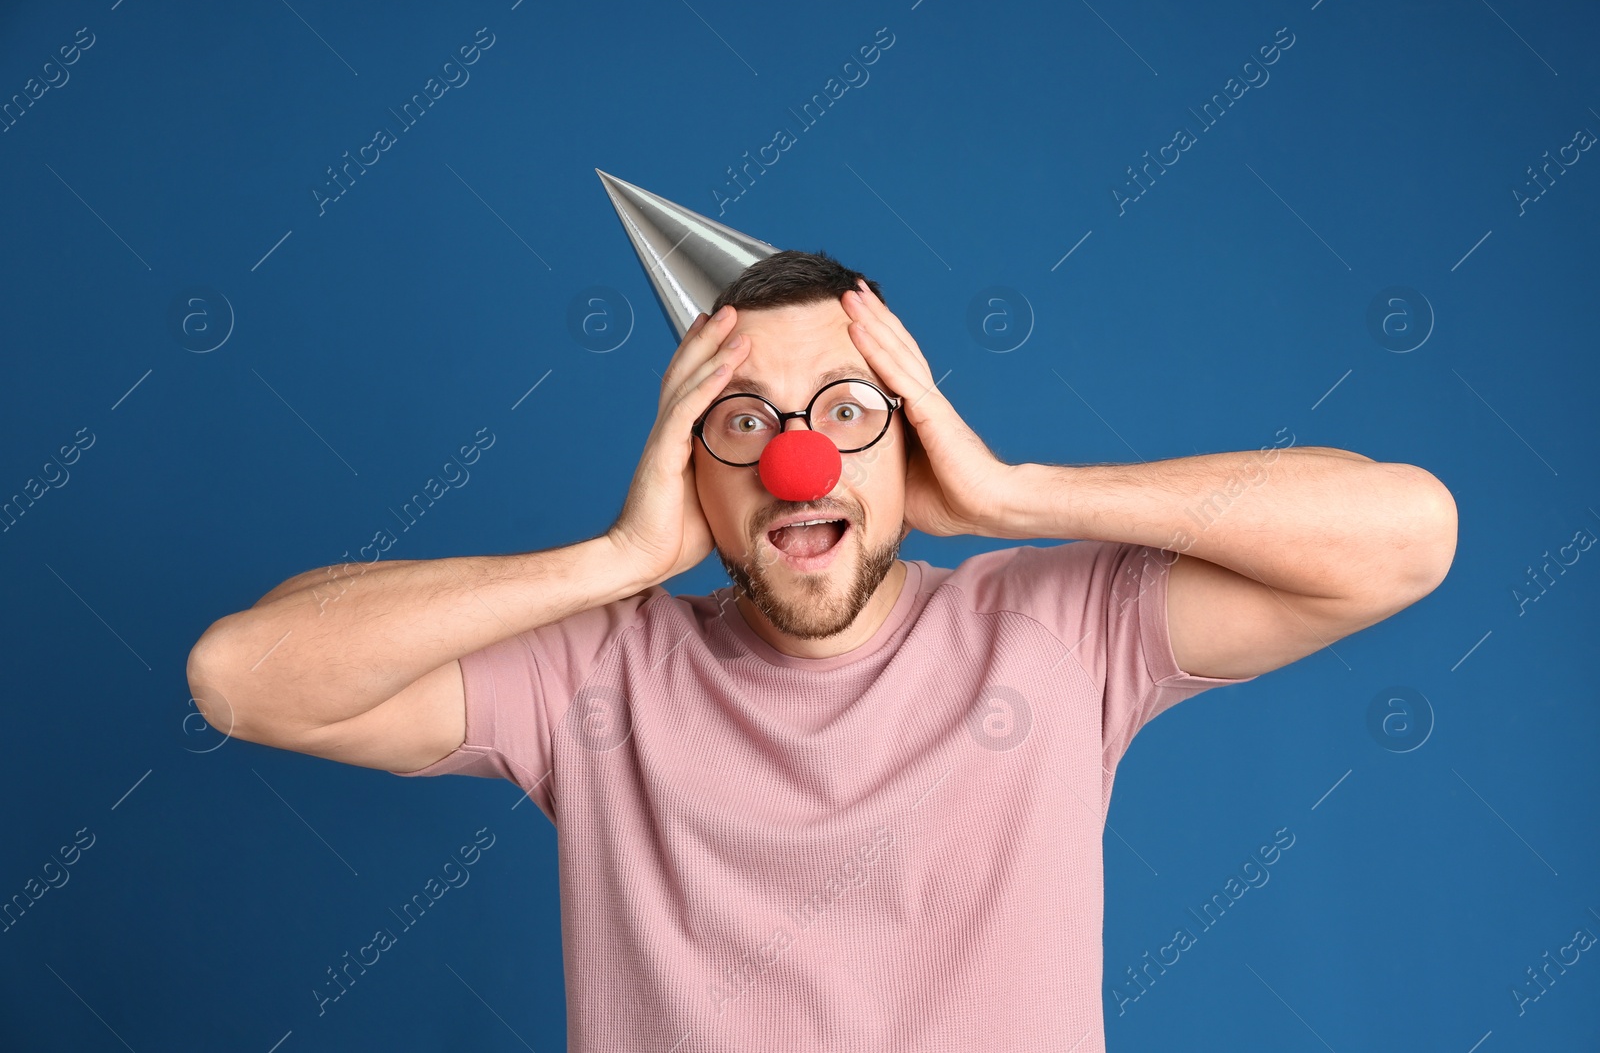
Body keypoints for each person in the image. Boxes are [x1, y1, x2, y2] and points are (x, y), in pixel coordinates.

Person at [185, 249, 1457, 1051]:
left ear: (909, 441)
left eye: (847, 413)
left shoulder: (1059, 629)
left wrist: (1016, 495)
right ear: (691, 468)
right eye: (743, 422)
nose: (800, 460)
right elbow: (242, 673)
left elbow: (1404, 533)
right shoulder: (590, 674)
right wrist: (616, 560)